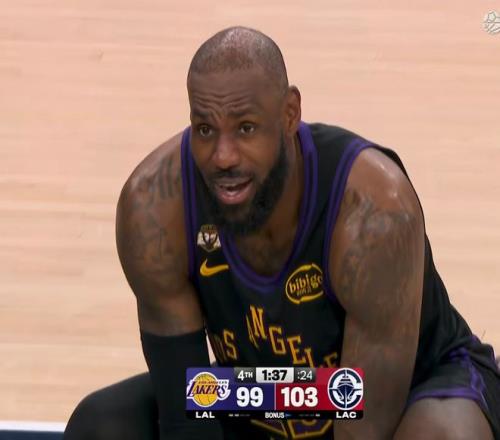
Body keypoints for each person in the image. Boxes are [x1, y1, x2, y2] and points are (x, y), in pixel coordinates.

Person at [64, 26, 500, 440]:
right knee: (103, 424)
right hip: (267, 389)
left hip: (400, 390)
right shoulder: (155, 209)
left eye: (245, 128)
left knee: (443, 434)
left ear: (290, 114)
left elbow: (364, 425)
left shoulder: (373, 211)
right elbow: (188, 409)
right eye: (205, 129)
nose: (222, 156)